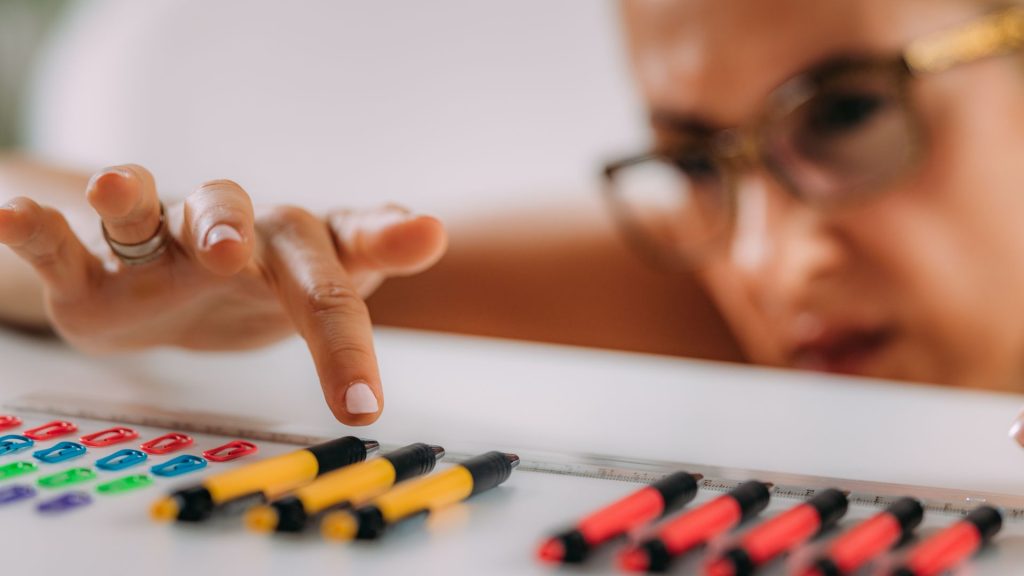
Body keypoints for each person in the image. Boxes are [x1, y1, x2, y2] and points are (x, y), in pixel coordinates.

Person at [2, 0, 1024, 440]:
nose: (767, 260)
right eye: (691, 162)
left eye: (847, 114)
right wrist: (150, 264)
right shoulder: (696, 298)